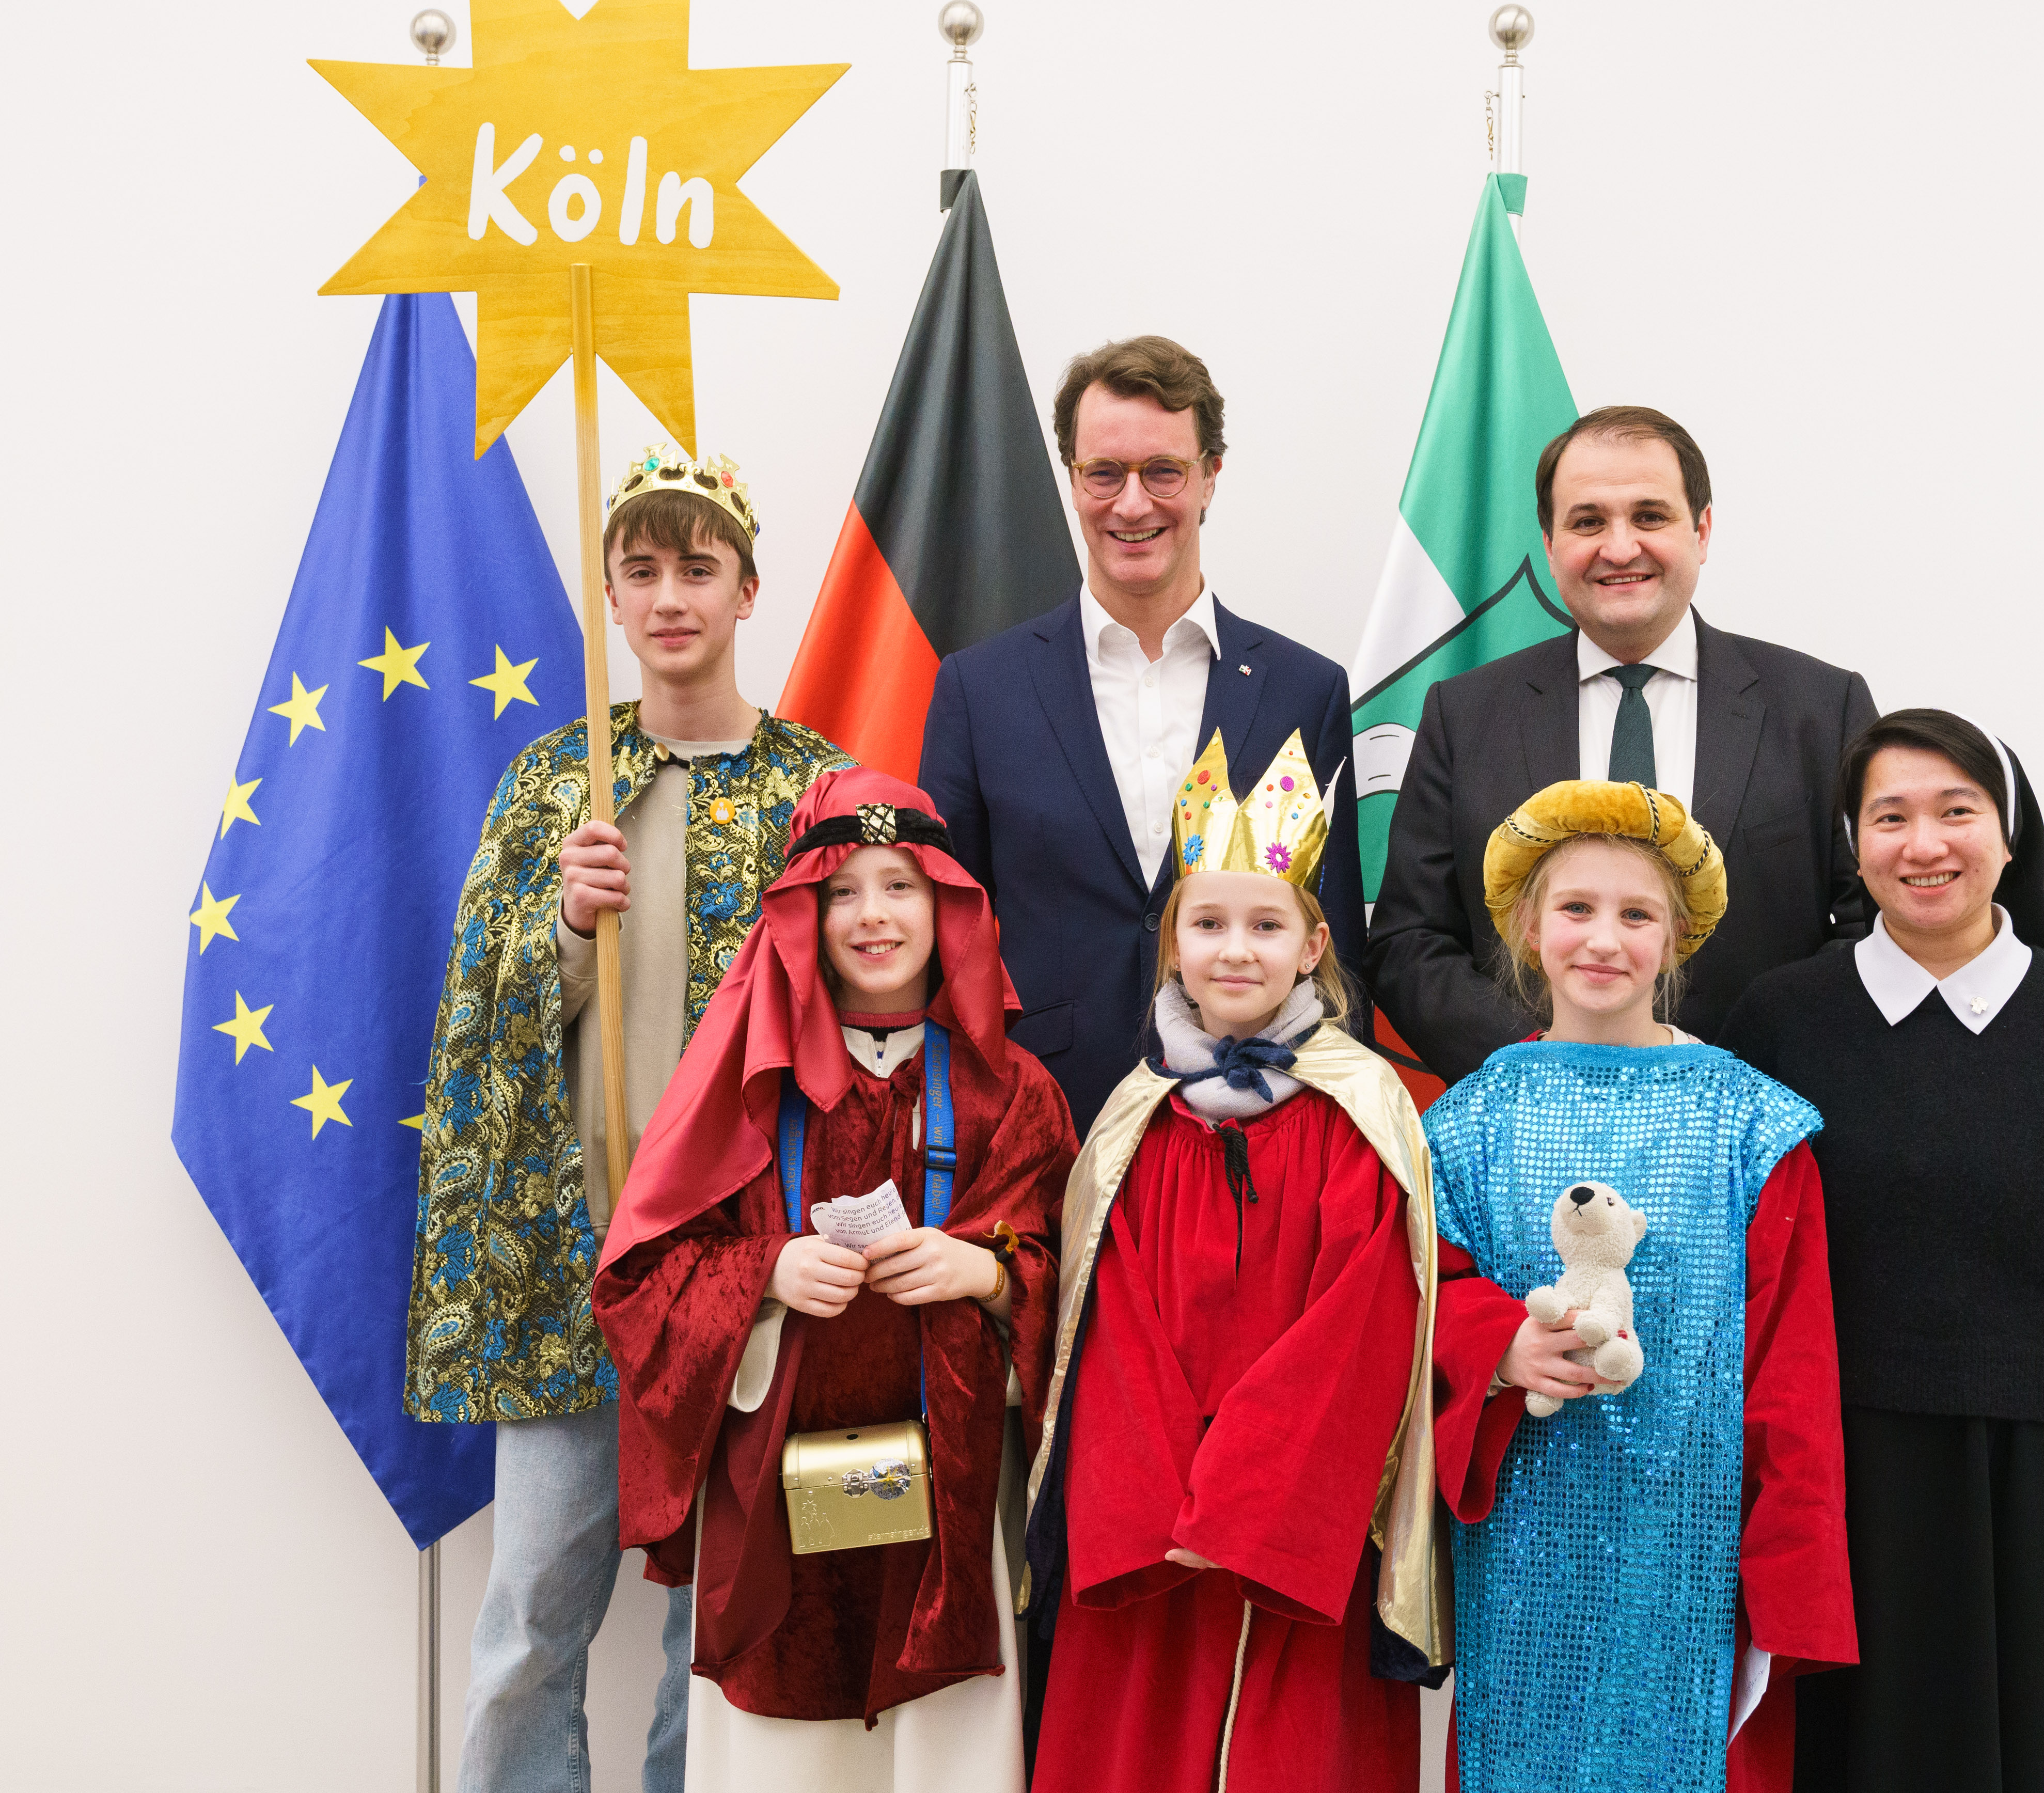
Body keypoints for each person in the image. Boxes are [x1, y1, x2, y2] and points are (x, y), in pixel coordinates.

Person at [406, 446, 847, 1792]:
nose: (669, 596)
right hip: (577, 1272)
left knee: (717, 1620)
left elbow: (862, 1028)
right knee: (530, 1615)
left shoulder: (816, 790)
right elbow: (473, 1027)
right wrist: (559, 924)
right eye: (641, 569)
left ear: (746, 591)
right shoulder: (555, 782)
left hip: (737, 1275)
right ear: (609, 592)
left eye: (697, 568)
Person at [1719, 710, 2044, 1793]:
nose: (1923, 844)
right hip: (1825, 1468)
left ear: (2009, 838)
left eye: (1956, 811)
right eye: (1890, 817)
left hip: (2023, 1479)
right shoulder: (1781, 1017)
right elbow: (1728, 1253)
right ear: (1855, 845)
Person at [592, 766, 1076, 1791]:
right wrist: (764, 1271)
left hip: (951, 1506)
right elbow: (640, 1283)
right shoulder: (743, 1088)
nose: (873, 915)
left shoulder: (1010, 1089)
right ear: (803, 914)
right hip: (775, 1506)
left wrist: (987, 1275)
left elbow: (1079, 1296)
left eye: (900, 885)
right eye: (842, 890)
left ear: (947, 906)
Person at [1022, 730, 1449, 1793]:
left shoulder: (1363, 1110)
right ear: (1172, 945)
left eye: (1266, 925)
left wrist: (1246, 1492)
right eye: (1208, 924)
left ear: (1313, 946)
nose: (1236, 950)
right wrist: (1163, 1493)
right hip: (1150, 1525)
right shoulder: (1135, 1116)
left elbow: (1364, 1322)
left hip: (1297, 1520)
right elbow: (1104, 1323)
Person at [1425, 780, 1857, 1792]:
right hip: (1524, 1540)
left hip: (1694, 1541)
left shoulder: (1753, 1126)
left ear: (1676, 938)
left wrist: (1788, 1568)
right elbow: (1424, 1290)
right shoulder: (1465, 1125)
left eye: (1636, 914)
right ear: (1529, 927)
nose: (1603, 939)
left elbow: (1792, 1364)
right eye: (1576, 908)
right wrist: (1498, 1346)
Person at [920, 335, 1370, 1133]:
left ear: (1210, 477)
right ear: (1072, 479)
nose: (1132, 505)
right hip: (1044, 1125)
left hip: (1258, 1131)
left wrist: (1339, 1132)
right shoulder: (978, 690)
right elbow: (942, 939)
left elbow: (1337, 955)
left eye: (1163, 472)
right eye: (1105, 473)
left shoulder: (1306, 690)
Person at [1369, 404, 1885, 1084]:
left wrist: (1739, 1083)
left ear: (1701, 531)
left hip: (1762, 1113)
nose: (1619, 548)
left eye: (1650, 516)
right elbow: (1409, 941)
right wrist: (1542, 1063)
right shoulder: (1464, 715)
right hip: (1535, 1116)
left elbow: (1873, 928)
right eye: (1588, 522)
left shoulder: (1822, 708)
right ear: (1550, 544)